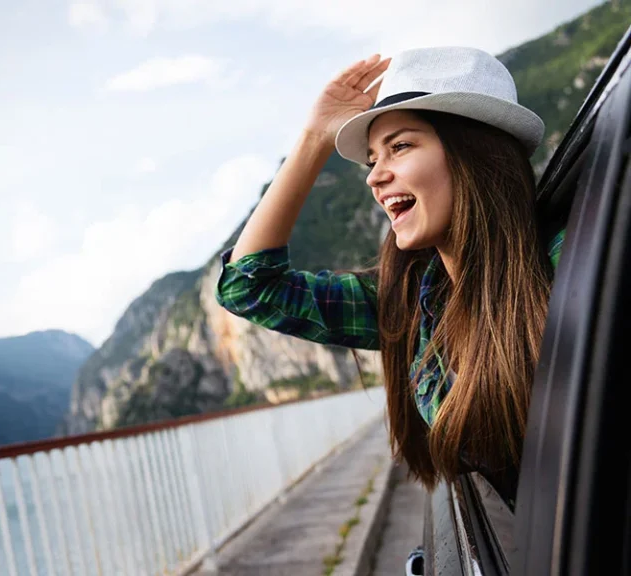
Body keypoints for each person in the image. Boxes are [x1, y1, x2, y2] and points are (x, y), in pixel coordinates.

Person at [214, 46, 565, 505]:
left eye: (400, 146)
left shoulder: (567, 267)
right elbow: (248, 287)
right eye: (372, 159)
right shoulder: (410, 302)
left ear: (477, 155)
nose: (374, 177)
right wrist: (313, 138)